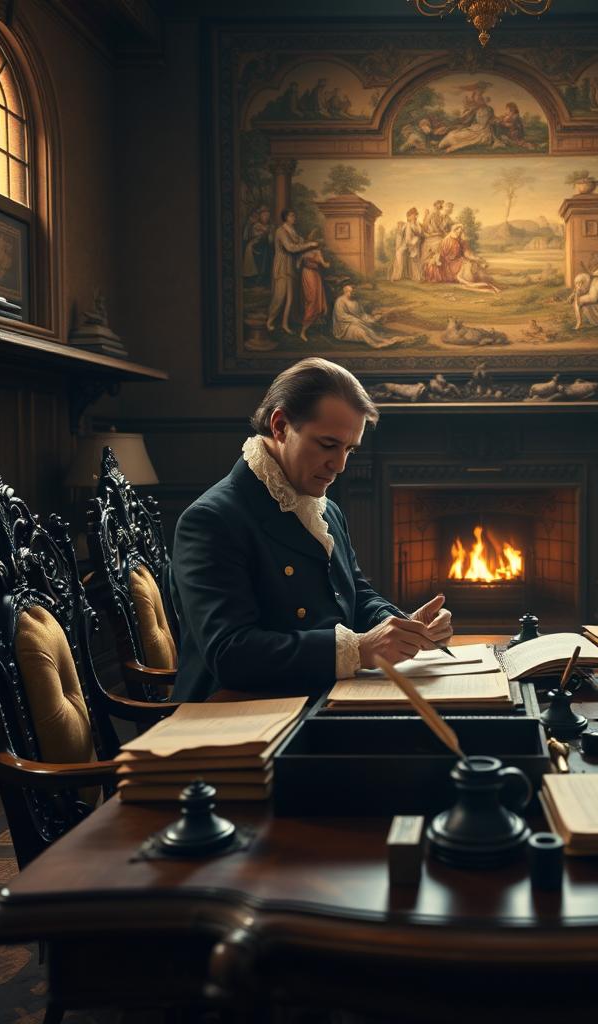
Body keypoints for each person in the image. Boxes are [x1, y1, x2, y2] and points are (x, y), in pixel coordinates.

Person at [171, 358, 453, 701]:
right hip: (237, 715)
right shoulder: (211, 519)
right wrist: (360, 650)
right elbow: (230, 654)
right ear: (280, 426)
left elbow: (357, 595)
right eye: (328, 445)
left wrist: (403, 626)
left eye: (349, 449)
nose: (340, 466)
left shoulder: (324, 508)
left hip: (321, 695)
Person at [266, 209, 313, 334]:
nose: (294, 217)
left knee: (290, 298)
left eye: (294, 215)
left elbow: (300, 242)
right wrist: (309, 245)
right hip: (282, 266)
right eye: (292, 215)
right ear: (286, 217)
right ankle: (269, 320)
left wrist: (308, 242)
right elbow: (290, 248)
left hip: (290, 266)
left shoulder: (293, 232)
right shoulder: (281, 231)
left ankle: (285, 324)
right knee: (280, 296)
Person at [332, 283, 412, 347]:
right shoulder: (340, 301)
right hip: (345, 326)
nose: (352, 293)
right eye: (350, 292)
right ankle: (377, 344)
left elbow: (361, 314)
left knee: (370, 332)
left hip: (357, 323)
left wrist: (371, 319)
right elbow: (341, 316)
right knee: (361, 333)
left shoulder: (356, 301)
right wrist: (357, 320)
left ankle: (384, 340)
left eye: (353, 291)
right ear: (345, 291)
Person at [298, 242, 330, 340]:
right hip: (312, 275)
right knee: (313, 301)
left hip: (307, 273)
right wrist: (327, 264)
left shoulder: (304, 253)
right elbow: (325, 265)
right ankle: (303, 330)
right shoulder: (317, 253)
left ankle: (308, 327)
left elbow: (297, 265)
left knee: (312, 300)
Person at [389, 208, 423, 282]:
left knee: (414, 256)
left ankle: (416, 276)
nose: (412, 217)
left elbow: (419, 234)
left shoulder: (418, 225)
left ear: (415, 216)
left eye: (414, 215)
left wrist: (413, 242)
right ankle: (396, 275)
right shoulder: (406, 225)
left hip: (414, 243)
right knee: (398, 253)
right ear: (408, 217)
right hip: (405, 244)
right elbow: (400, 235)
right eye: (410, 215)